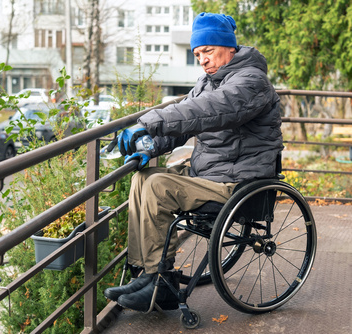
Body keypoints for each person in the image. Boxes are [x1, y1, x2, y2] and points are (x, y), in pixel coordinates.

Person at [103, 12, 284, 312]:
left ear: (230, 47)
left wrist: (148, 122)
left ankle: (163, 283)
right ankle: (144, 273)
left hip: (239, 183)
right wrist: (152, 147)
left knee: (158, 185)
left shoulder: (251, 81)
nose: (202, 59)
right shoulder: (207, 82)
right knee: (142, 177)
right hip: (210, 175)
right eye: (197, 54)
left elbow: (209, 111)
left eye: (208, 51)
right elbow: (187, 123)